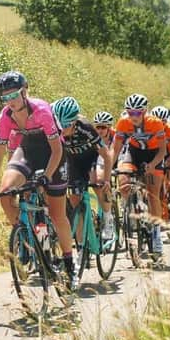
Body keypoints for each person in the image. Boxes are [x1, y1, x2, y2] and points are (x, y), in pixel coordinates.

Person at [0, 71, 77, 289]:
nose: (10, 102)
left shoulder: (42, 110)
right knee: (5, 193)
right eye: (5, 98)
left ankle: (69, 262)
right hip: (28, 151)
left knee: (56, 213)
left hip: (53, 154)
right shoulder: (6, 116)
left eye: (13, 95)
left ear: (24, 92)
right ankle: (25, 234)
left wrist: (46, 176)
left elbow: (56, 149)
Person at [108, 94, 166, 259]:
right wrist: (109, 170)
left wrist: (153, 165)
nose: (133, 116)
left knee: (153, 192)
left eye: (137, 113)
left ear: (144, 111)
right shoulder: (123, 123)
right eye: (130, 112)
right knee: (123, 179)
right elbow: (115, 148)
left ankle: (156, 233)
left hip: (154, 155)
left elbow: (163, 150)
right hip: (134, 153)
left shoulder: (155, 123)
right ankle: (130, 209)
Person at [51, 97, 114, 244]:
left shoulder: (85, 127)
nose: (63, 129)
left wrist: (106, 179)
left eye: (67, 125)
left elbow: (106, 155)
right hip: (73, 162)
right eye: (61, 125)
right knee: (75, 201)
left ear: (74, 122)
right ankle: (81, 246)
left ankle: (108, 217)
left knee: (98, 182)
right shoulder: (54, 129)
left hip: (91, 158)